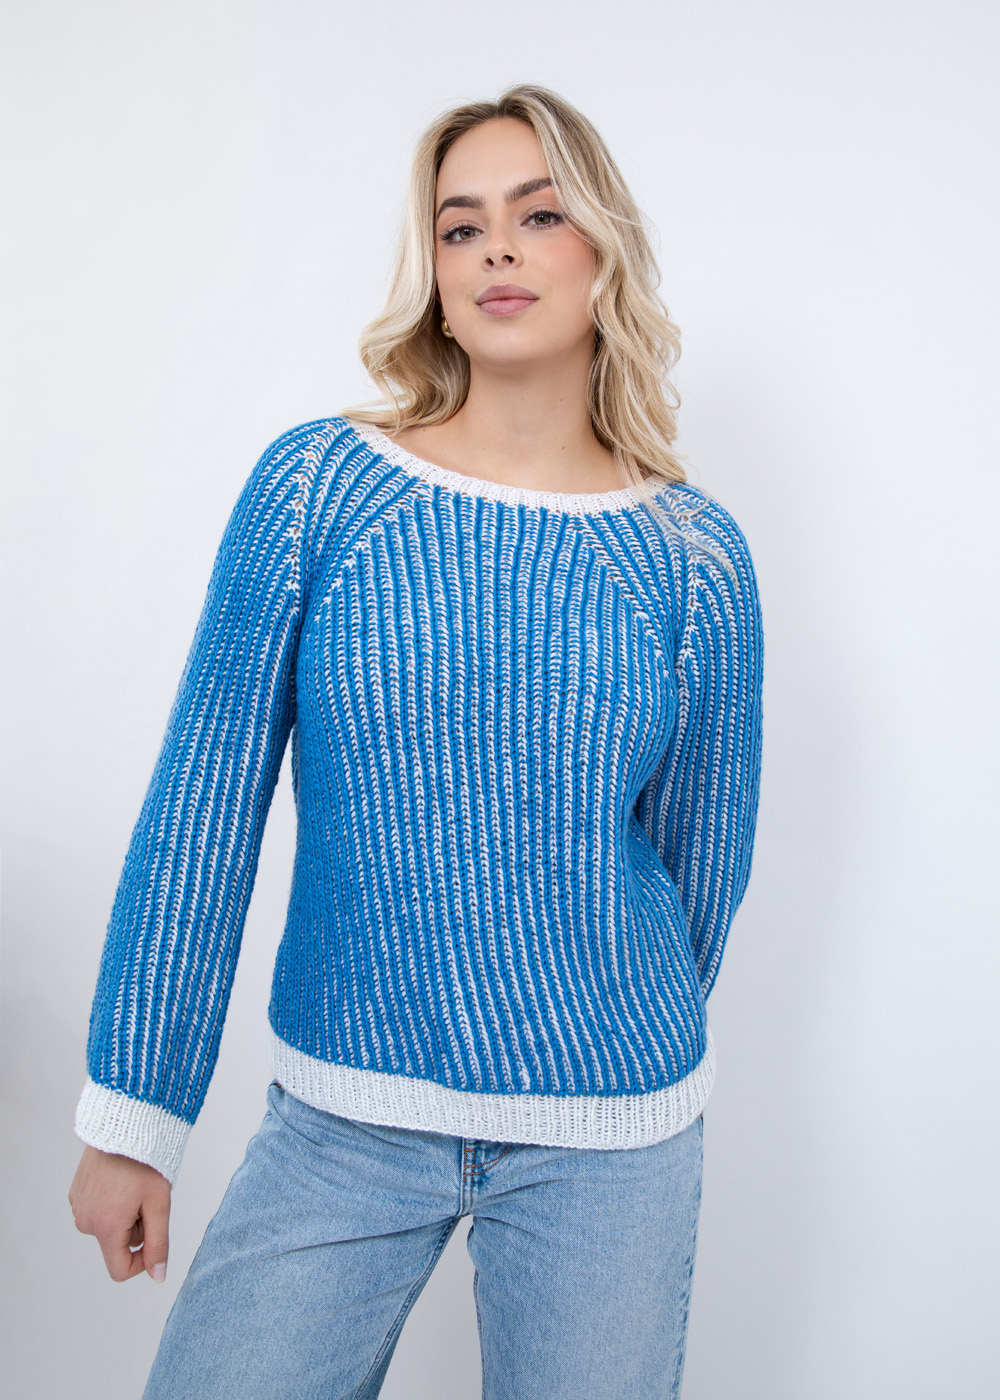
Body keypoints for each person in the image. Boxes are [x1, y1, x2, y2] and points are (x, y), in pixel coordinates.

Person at [68, 83, 764, 1399]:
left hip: (609, 1142)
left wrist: (586, 1025)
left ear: (603, 251)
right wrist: (135, 1116)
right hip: (343, 1120)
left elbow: (700, 866)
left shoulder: (692, 559)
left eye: (539, 214)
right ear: (436, 276)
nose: (497, 248)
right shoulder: (320, 490)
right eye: (460, 226)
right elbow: (205, 802)